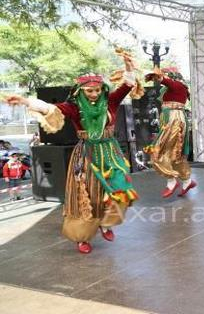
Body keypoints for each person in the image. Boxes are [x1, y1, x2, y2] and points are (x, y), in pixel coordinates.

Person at [5, 51, 139, 254]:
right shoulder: (74, 107)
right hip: (87, 153)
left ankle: (106, 223)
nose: (94, 94)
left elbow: (127, 85)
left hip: (111, 153)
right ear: (80, 92)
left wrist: (129, 67)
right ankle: (81, 236)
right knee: (87, 196)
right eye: (89, 91)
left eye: (97, 90)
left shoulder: (110, 101)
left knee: (122, 191)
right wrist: (25, 101)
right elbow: (50, 107)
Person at [144, 66, 197, 199]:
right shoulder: (175, 88)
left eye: (167, 74)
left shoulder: (177, 85)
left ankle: (171, 181)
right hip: (173, 120)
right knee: (175, 154)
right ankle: (187, 181)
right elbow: (166, 83)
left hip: (174, 120)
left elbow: (167, 82)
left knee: (159, 151)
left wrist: (159, 77)